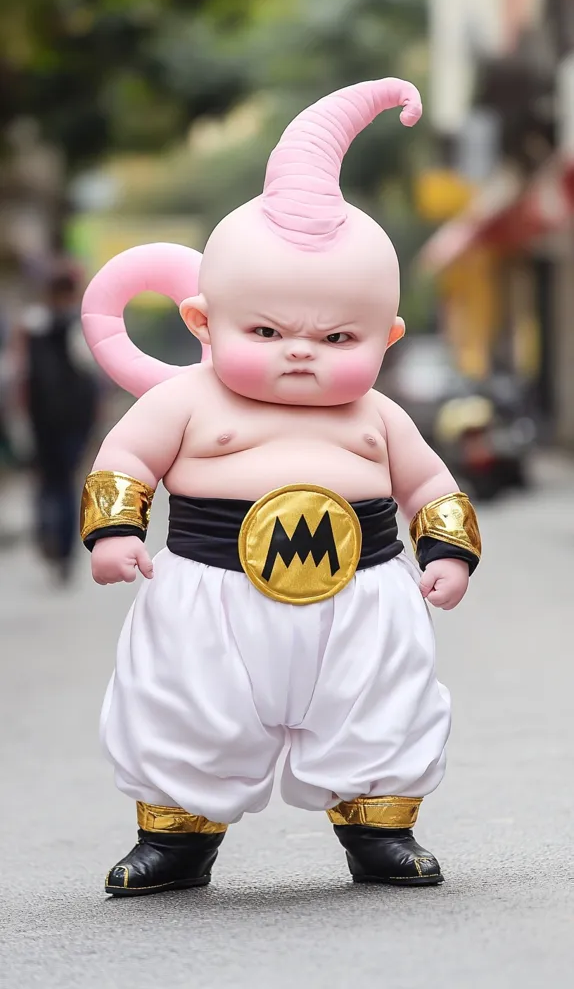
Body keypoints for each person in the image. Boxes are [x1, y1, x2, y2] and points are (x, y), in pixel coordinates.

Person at [79, 77, 482, 897]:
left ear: (388, 337)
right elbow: (126, 459)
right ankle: (177, 837)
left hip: (365, 592)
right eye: (265, 331)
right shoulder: (185, 400)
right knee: (185, 707)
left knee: (383, 706)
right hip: (209, 590)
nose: (302, 351)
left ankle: (382, 827)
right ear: (202, 322)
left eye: (338, 336)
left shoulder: (377, 415)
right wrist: (116, 532)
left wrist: (447, 550)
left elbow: (429, 482)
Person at [15, 265, 100, 581]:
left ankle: (48, 536)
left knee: (46, 482)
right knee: (65, 484)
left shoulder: (31, 326)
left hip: (40, 420)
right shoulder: (79, 328)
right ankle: (62, 550)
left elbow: (21, 377)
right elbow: (91, 379)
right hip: (73, 422)